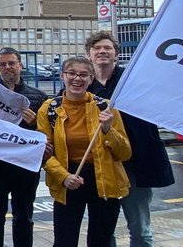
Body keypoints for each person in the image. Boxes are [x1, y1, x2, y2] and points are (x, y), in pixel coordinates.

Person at [85, 32, 174, 247]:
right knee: (104, 229)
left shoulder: (133, 80)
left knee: (140, 229)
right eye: (97, 48)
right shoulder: (83, 86)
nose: (102, 51)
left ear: (116, 54)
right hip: (102, 168)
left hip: (135, 165)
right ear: (89, 55)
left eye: (107, 48)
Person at [38, 56, 131, 247]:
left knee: (100, 241)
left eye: (83, 75)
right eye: (71, 73)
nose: (77, 79)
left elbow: (125, 153)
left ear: (91, 79)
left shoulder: (106, 107)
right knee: (64, 241)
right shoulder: (49, 109)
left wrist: (108, 130)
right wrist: (63, 176)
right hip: (68, 179)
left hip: (104, 179)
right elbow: (42, 152)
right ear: (63, 76)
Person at [0, 48, 49, 247]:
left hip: (25, 167)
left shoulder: (38, 97)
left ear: (20, 66)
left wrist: (34, 124)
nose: (7, 68)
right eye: (2, 64)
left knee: (23, 217)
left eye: (11, 63)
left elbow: (47, 134)